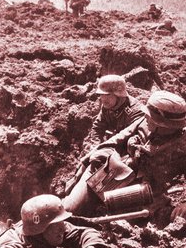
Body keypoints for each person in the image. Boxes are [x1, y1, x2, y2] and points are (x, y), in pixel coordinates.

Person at [65, 90, 186, 223]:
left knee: (104, 223)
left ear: (165, 126)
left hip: (137, 197)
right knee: (69, 212)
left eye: (150, 117)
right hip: (106, 176)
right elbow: (112, 143)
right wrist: (88, 163)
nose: (145, 118)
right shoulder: (143, 123)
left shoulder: (184, 152)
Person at [63, 75, 147, 213]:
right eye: (101, 96)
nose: (103, 99)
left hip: (126, 155)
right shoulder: (109, 106)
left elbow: (126, 139)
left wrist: (100, 150)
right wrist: (94, 144)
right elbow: (97, 127)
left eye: (107, 95)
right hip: (109, 149)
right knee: (82, 174)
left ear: (119, 95)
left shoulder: (136, 112)